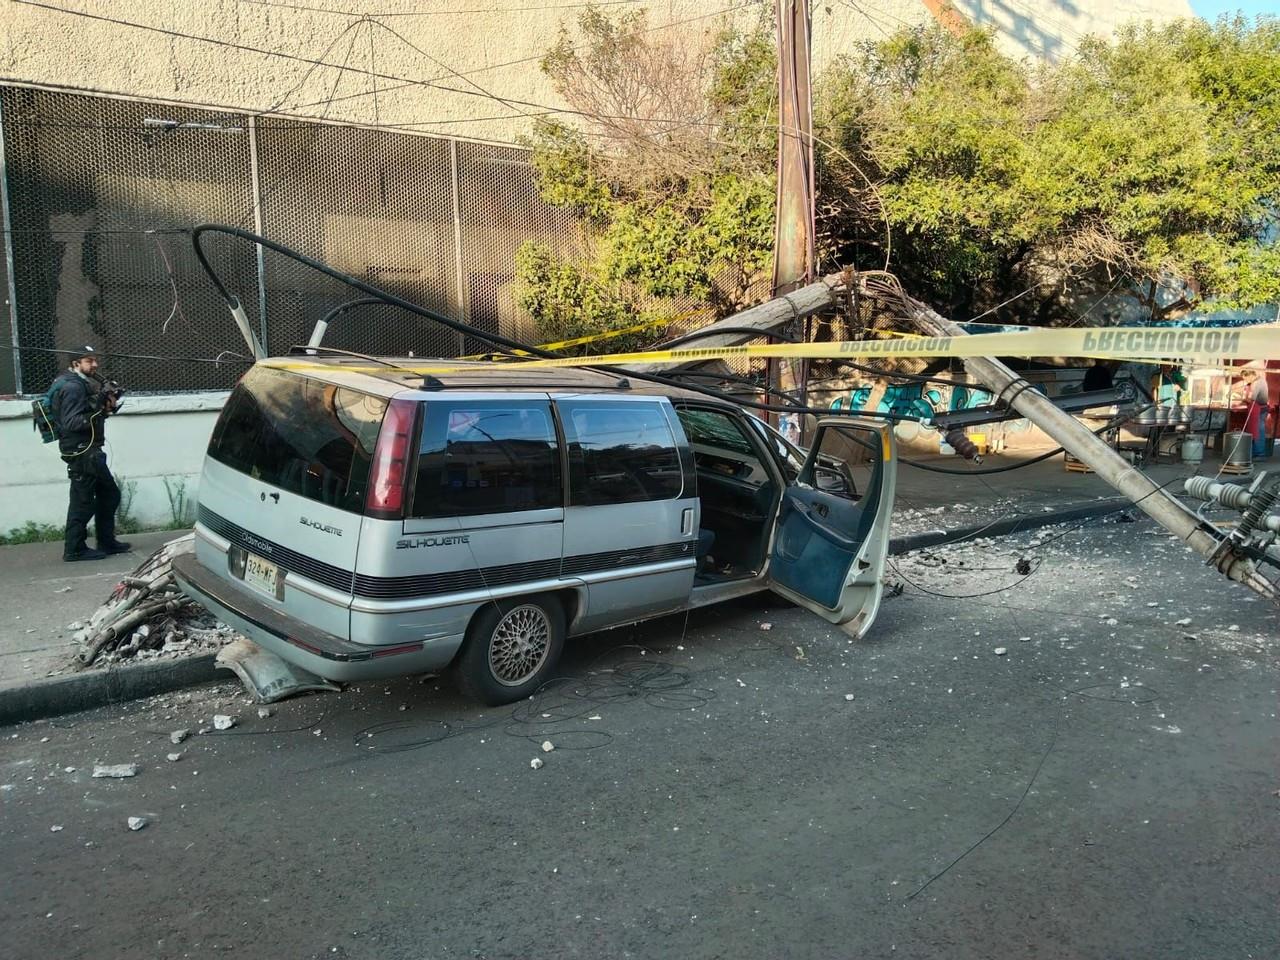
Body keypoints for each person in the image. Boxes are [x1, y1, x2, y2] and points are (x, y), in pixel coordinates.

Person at [49, 347, 132, 561]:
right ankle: (74, 549)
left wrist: (108, 404)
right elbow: (72, 422)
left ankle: (106, 542)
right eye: (89, 361)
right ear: (76, 363)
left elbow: (91, 414)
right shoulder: (72, 387)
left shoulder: (79, 383)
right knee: (82, 500)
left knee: (109, 494)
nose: (94, 365)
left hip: (90, 450)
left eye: (95, 360)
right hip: (81, 451)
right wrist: (98, 405)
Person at [1232, 364, 1271, 460]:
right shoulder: (1254, 382)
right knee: (1252, 431)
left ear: (1250, 375)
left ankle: (1260, 454)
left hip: (1260, 409)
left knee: (1258, 432)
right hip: (1255, 409)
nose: (1245, 380)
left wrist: (1240, 398)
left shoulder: (1258, 383)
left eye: (1245, 378)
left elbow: (1252, 399)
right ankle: (1253, 452)